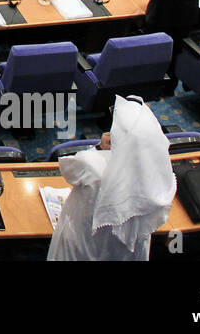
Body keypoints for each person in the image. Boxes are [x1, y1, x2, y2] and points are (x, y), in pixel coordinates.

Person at [46, 98, 175, 261]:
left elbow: (69, 171)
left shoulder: (91, 163)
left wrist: (99, 148)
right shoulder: (159, 172)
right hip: (126, 252)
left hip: (84, 244)